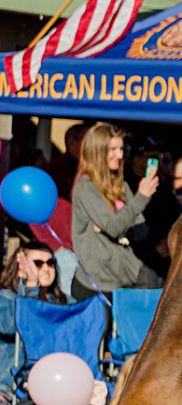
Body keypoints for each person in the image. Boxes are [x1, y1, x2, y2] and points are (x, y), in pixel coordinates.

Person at [69, 121, 162, 299]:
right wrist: (140, 198)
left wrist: (118, 229)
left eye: (121, 149)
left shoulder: (121, 185)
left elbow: (141, 229)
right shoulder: (86, 186)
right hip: (96, 285)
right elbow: (114, 227)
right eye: (113, 149)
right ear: (98, 151)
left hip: (125, 278)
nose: (120, 155)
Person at [2, 237, 68, 305]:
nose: (46, 268)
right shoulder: (5, 299)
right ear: (19, 270)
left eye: (50, 262)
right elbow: (26, 314)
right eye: (37, 263)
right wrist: (32, 284)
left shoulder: (65, 300)